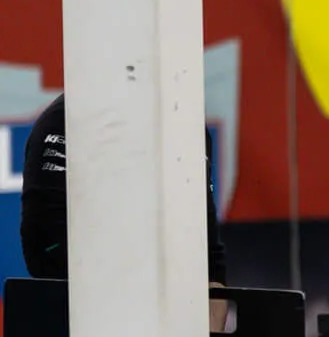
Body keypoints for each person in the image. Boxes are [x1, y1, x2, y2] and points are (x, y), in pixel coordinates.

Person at [21, 93, 227, 291]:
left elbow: (208, 253)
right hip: (93, 302)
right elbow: (45, 246)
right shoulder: (65, 119)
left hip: (174, 300)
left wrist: (209, 305)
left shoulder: (186, 123)